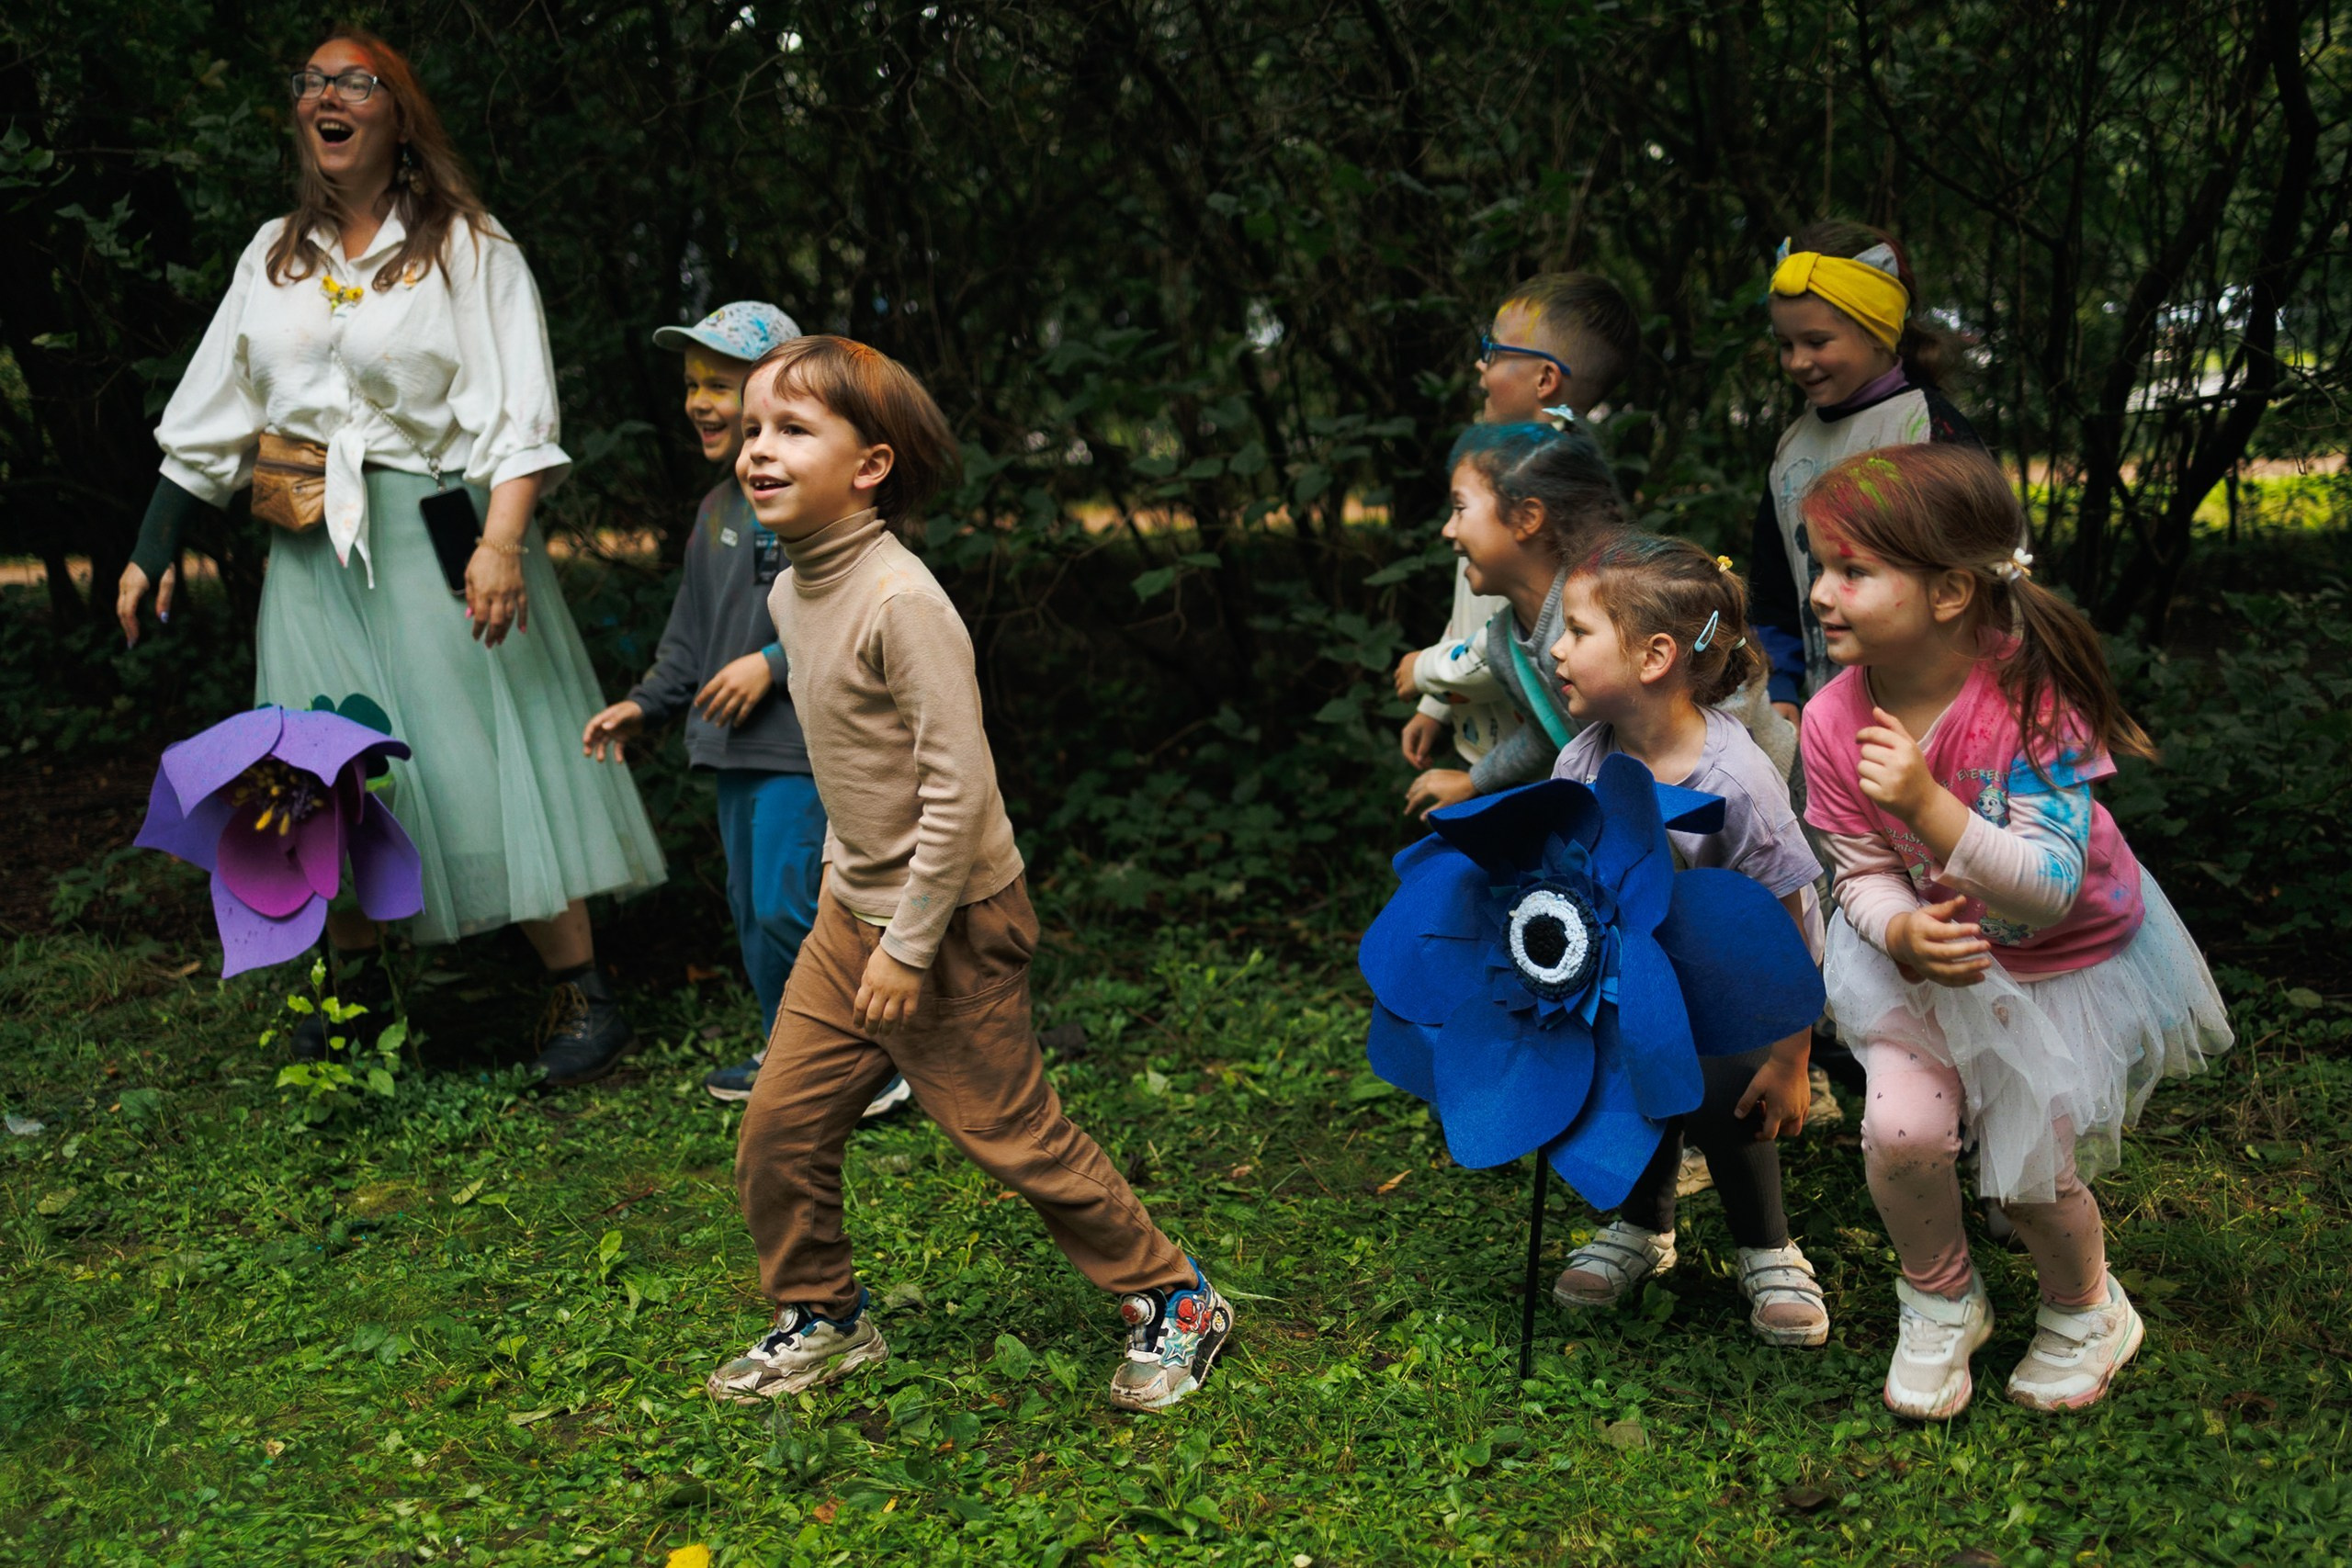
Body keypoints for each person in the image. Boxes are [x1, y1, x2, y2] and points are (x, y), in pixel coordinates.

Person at [114, 28, 664, 1085]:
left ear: (397, 114)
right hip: (311, 547)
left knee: (482, 745)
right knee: (322, 765)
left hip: (437, 529)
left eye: (354, 81)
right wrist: (153, 548)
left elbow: (520, 415)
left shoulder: (468, 245)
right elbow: (211, 421)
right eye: (312, 81)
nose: (328, 95)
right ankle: (358, 997)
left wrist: (501, 542)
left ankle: (580, 993)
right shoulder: (272, 255)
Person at [705, 335, 1232, 1412]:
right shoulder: (791, 596)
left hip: (948, 924)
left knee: (1010, 1135)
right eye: (753, 427)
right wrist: (852, 905)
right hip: (855, 916)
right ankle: (824, 1317)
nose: (759, 448)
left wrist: (906, 944)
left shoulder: (902, 601)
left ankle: (1178, 1299)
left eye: (793, 429)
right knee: (779, 1124)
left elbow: (960, 795)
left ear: (871, 466)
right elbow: (858, 769)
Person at [1796, 445, 2233, 1418]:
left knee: (2031, 1174)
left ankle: (2086, 1309)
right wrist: (1899, 932)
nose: (1822, 592)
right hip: (1921, 964)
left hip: (2054, 966)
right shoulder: (1832, 719)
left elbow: (2046, 888)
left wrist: (1928, 804)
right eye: (1819, 564)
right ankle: (1940, 1297)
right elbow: (1857, 864)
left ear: (1949, 590)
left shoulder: (2028, 702)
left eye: (1853, 571)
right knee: (1900, 1134)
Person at [582, 303, 910, 1120]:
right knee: (751, 907)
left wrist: (770, 663)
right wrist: (644, 703)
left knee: (791, 901)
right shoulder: (714, 513)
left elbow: (855, 606)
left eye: (721, 384)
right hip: (730, 749)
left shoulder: (814, 503)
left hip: (804, 746)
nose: (700, 399)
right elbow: (690, 633)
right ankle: (787, 1049)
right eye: (693, 383)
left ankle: (869, 1063)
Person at [1544, 536, 1830, 1347]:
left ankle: (1769, 1245)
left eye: (1577, 631)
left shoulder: (1734, 780)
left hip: (1737, 988)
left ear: (1655, 656)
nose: (1557, 649)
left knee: (1724, 1088)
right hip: (1631, 970)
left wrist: (1789, 1058)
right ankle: (1645, 1224)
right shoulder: (1583, 759)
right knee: (1628, 1078)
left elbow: (1787, 928)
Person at [1395, 274, 1640, 780]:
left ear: (1545, 380)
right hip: (1484, 738)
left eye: (1492, 351)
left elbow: (1520, 644)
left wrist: (1426, 672)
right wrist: (1436, 706)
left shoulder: (1550, 492)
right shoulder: (1493, 476)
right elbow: (1472, 613)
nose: (1480, 367)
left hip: (1539, 752)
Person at [1750, 220, 1984, 722]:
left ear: (1879, 331)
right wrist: (1783, 685)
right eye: (1786, 344)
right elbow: (1773, 587)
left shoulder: (1927, 430)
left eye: (1817, 341)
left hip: (1938, 716)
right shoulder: (1792, 447)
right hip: (1827, 719)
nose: (1797, 361)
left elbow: (1985, 582)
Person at [1399, 422, 1628, 821]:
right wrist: (1475, 781)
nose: (1448, 529)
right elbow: (1549, 730)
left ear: (1527, 518)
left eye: (1460, 509)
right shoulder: (1506, 643)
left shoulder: (1606, 613)